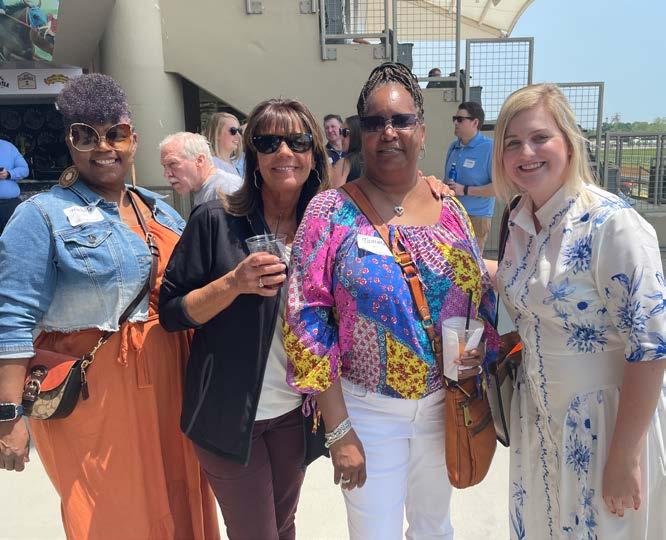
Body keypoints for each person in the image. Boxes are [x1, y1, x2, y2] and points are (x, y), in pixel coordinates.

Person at [285, 62, 499, 540]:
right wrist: (338, 429)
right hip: (368, 410)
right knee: (374, 532)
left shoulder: (451, 209)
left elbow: (477, 296)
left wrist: (476, 359)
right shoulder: (330, 211)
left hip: (445, 403)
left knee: (434, 529)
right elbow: (306, 319)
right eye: (375, 122)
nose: (388, 132)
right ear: (360, 134)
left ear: (421, 131)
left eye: (401, 120)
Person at [0, 74, 219, 540]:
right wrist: (8, 417)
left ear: (132, 139)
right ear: (70, 141)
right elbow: (12, 319)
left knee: (180, 500)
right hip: (94, 395)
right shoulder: (40, 216)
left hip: (173, 383)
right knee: (110, 516)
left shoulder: (159, 210)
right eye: (86, 135)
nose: (103, 147)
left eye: (115, 133)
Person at [494, 83, 665, 539]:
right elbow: (531, 294)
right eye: (512, 142)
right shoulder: (519, 218)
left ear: (568, 143)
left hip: (605, 425)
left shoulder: (612, 225)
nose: (526, 153)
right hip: (538, 419)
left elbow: (651, 347)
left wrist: (625, 455)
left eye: (540, 137)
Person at [159, 98, 330, 540]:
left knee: (283, 525)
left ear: (314, 155)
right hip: (229, 415)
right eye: (268, 142)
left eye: (298, 141)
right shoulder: (216, 219)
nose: (284, 152)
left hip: (294, 413)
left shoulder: (325, 227)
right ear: (252, 154)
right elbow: (172, 313)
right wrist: (233, 283)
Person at [444, 101, 494, 253]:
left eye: (460, 119)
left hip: (476, 219)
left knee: (470, 264)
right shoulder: (454, 147)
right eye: (454, 119)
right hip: (451, 216)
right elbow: (447, 180)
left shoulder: (490, 148)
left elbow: (499, 188)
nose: (455, 123)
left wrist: (465, 190)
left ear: (475, 122)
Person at [160, 131, 243, 203]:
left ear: (199, 160)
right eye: (164, 166)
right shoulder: (208, 189)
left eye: (173, 163)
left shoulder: (226, 189)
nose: (166, 174)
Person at [0, 138, 29, 233]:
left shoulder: (8, 147)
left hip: (10, 205)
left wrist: (9, 174)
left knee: (14, 237)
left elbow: (25, 170)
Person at [205, 112, 244, 177]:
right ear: (217, 134)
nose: (238, 136)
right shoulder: (212, 165)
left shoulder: (234, 164)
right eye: (233, 131)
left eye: (239, 131)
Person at [330, 115, 362, 187]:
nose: (341, 137)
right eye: (340, 131)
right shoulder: (375, 161)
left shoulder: (345, 163)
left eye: (345, 132)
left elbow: (335, 192)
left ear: (356, 133)